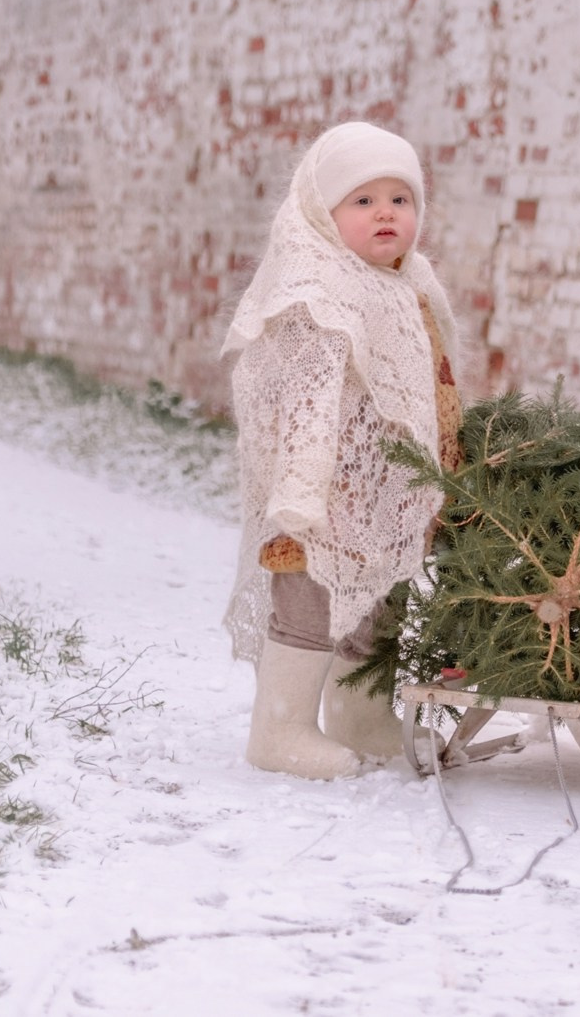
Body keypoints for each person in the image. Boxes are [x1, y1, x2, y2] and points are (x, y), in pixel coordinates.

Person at [223, 122, 463, 778]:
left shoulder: (416, 288)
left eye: (400, 198)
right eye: (362, 200)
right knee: (311, 604)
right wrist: (300, 487)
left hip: (392, 495)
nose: (385, 211)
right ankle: (280, 727)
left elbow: (434, 381)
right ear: (321, 215)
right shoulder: (314, 293)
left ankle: (361, 712)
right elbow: (300, 396)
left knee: (382, 603)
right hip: (324, 495)